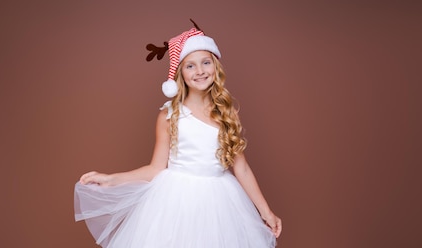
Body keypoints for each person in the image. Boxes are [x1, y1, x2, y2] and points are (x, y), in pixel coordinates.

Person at [74, 21, 282, 248]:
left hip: (220, 203)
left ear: (216, 66)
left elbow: (241, 168)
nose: (200, 71)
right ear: (181, 73)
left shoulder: (226, 112)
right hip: (176, 202)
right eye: (190, 66)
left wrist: (266, 211)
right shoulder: (169, 115)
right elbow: (155, 169)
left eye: (206, 62)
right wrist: (111, 179)